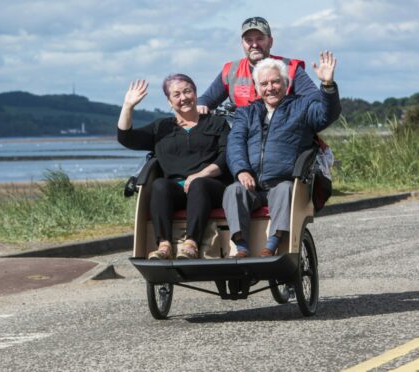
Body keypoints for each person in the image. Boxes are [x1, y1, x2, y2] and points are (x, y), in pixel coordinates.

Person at [223, 51, 341, 258]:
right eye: (264, 84)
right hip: (252, 186)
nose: (270, 88)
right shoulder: (246, 113)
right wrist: (241, 170)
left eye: (275, 82)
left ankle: (272, 245)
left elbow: (326, 115)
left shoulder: (301, 107)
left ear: (285, 83)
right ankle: (241, 247)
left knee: (284, 189)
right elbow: (235, 143)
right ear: (257, 88)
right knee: (233, 191)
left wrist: (328, 86)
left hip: (283, 183)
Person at [117, 74, 231, 259]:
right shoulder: (161, 127)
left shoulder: (216, 123)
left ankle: (191, 243)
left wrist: (201, 174)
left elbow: (226, 156)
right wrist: (128, 106)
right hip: (176, 191)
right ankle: (164, 245)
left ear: (195, 93)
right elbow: (126, 138)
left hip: (211, 187)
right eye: (176, 94)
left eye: (187, 91)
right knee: (159, 185)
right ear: (169, 102)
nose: (183, 98)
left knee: (198, 184)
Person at [197, 16, 319, 112]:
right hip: (242, 134)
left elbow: (315, 100)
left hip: (282, 134)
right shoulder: (231, 71)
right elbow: (207, 99)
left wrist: (327, 85)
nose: (254, 45)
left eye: (260, 39)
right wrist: (201, 105)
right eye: (248, 40)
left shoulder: (290, 68)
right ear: (242, 43)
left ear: (270, 41)